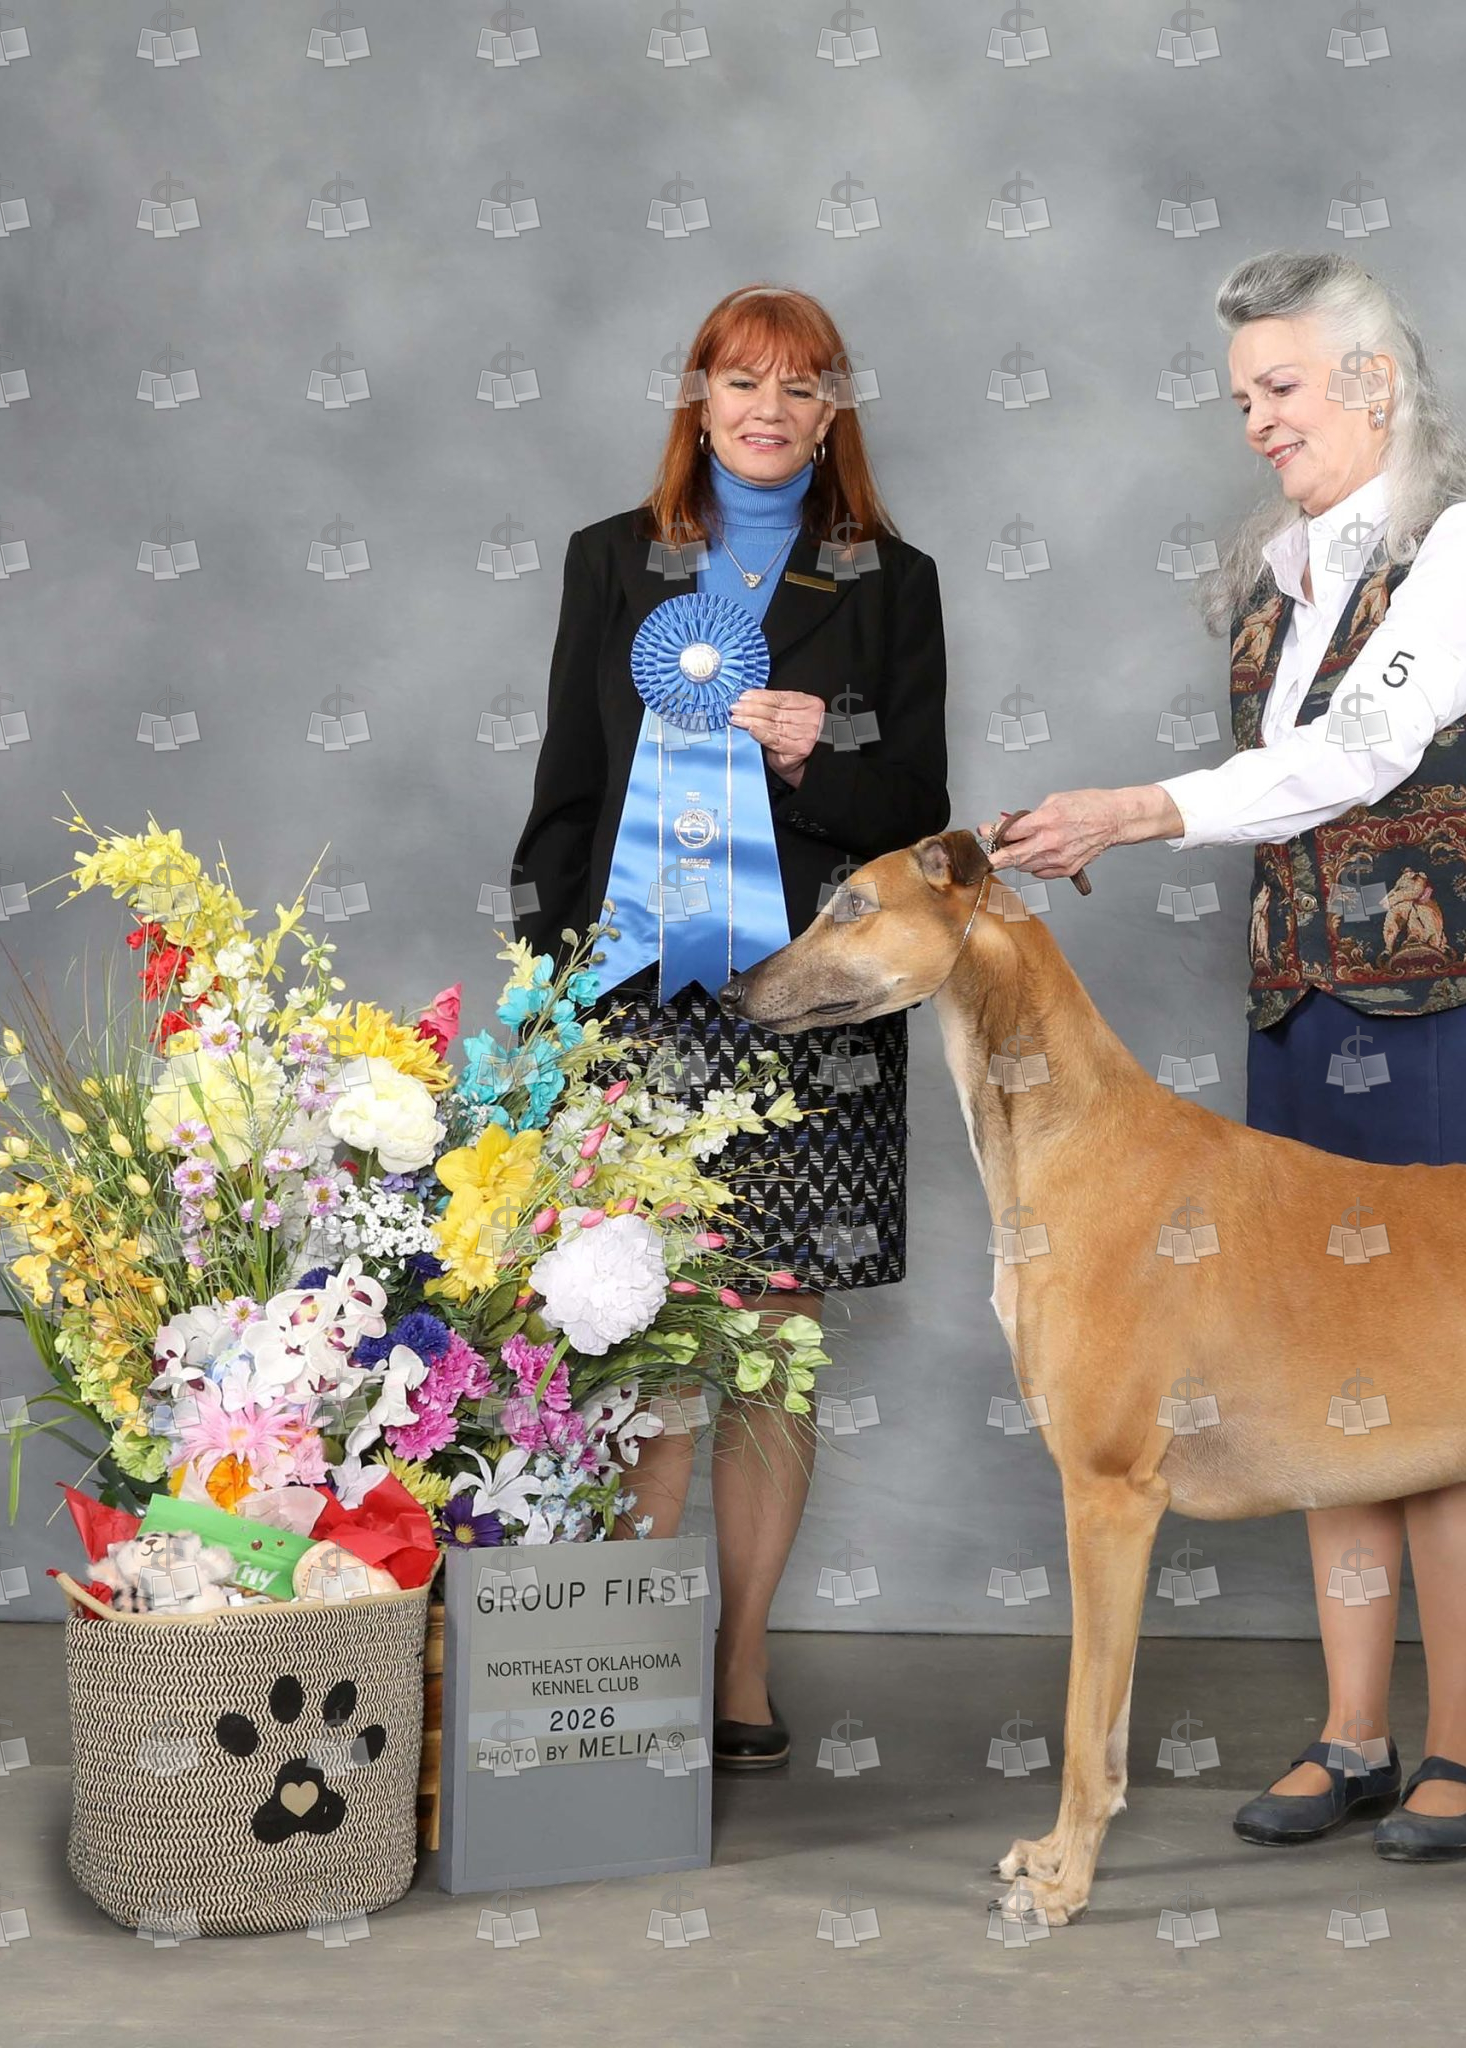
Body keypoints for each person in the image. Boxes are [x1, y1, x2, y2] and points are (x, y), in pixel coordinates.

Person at [980, 249, 1466, 1860]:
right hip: (1311, 1007)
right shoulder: (1281, 571)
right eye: (1242, 395)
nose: (1254, 419)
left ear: (1374, 383)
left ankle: (1464, 1747)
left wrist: (1136, 808)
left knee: (1465, 1372)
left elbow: (1360, 755)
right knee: (1329, 1363)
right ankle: (1354, 1735)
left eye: (1281, 387)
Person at [510, 281, 950, 1771]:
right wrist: (550, 993)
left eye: (802, 385)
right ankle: (635, 1662)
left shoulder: (890, 579)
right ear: (697, 398)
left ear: (834, 414)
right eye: (742, 380)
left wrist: (821, 756)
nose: (770, 408)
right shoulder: (609, 560)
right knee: (641, 1328)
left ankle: (741, 1666)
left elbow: (918, 812)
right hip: (637, 1000)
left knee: (769, 1345)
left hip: (813, 1014)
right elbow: (568, 789)